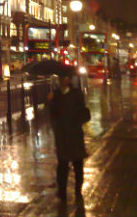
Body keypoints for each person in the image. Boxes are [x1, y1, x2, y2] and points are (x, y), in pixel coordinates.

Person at [47, 74, 90, 202]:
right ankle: (62, 193)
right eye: (61, 78)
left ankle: (78, 190)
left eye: (65, 78)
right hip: (62, 135)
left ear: (69, 79)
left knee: (78, 165)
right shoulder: (55, 95)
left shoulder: (77, 94)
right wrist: (50, 101)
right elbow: (52, 114)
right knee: (62, 165)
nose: (62, 80)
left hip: (75, 134)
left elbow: (83, 113)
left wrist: (75, 123)